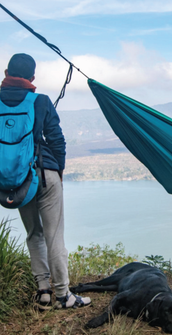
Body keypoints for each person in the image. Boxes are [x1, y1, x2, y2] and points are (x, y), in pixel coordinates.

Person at [0, 53, 91, 309]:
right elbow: (57, 140)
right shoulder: (39, 101)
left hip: (16, 181)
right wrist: (58, 171)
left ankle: (43, 292)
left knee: (34, 234)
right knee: (54, 235)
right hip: (45, 173)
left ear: (6, 73)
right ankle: (63, 295)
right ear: (33, 78)